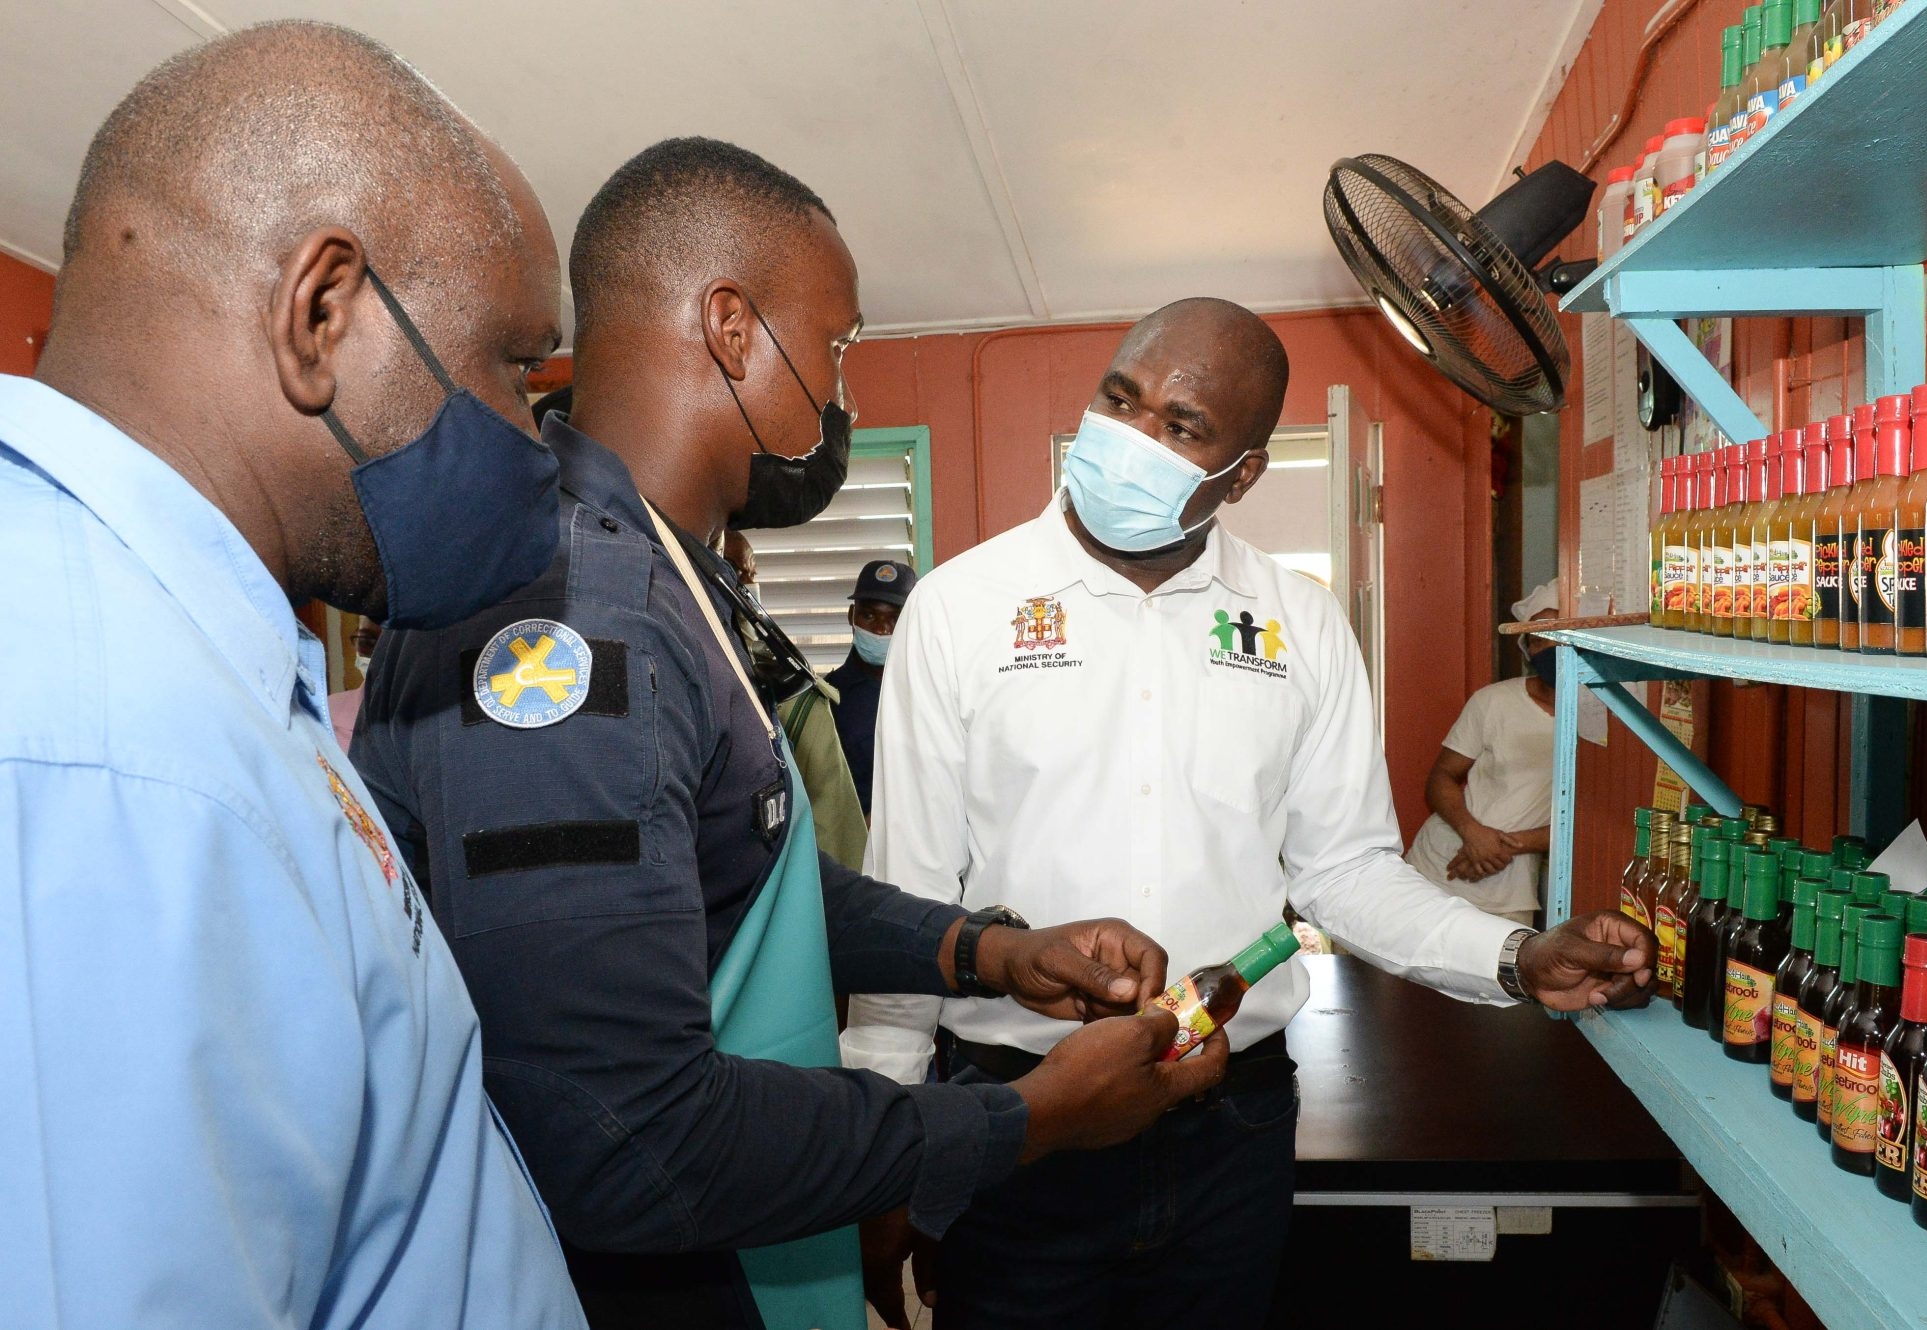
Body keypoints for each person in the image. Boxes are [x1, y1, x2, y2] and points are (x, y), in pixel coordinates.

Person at [349, 137, 1226, 1330]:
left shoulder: (668, 573)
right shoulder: (570, 622)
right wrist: (1031, 1119)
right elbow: (625, 1143)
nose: (837, 375)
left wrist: (985, 950)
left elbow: (744, 871)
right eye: (839, 339)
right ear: (731, 327)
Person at [842, 298, 1654, 1329]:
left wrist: (1514, 956)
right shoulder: (959, 608)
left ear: (1243, 473)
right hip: (1018, 1118)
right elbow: (908, 896)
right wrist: (888, 1151)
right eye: (1119, 398)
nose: (1130, 438)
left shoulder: (1299, 624)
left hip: (1230, 1126)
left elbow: (1346, 872)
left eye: (1180, 427)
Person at [0, 22, 584, 1329]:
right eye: (510, 367)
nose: (533, 440)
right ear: (320, 314)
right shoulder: (109, 755)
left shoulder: (184, 655)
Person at [1405, 581, 1562, 926]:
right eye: (1537, 639)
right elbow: (1441, 778)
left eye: (1557, 632)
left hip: (1510, 892)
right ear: (1527, 651)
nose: (1549, 646)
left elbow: (1588, 822)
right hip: (1437, 866)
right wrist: (1472, 834)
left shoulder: (1604, 720)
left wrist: (1505, 845)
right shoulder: (1494, 701)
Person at [724, 526, 870, 868]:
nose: (745, 587)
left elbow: (837, 831)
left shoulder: (792, 693)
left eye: (750, 576)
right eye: (733, 570)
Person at [826, 558, 918, 815]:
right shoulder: (826, 700)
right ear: (851, 616)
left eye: (894, 619)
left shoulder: (932, 693)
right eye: (869, 615)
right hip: (853, 848)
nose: (880, 628)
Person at [327, 616, 383, 752]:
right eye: (367, 643)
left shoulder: (438, 723)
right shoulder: (324, 715)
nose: (380, 656)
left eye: (396, 647)